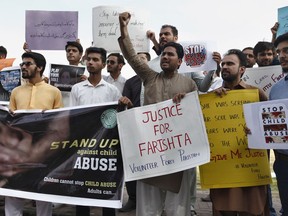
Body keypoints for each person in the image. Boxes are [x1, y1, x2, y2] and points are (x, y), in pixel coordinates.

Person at [118, 12, 198, 216]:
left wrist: (186, 100)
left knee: (176, 206)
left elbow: (195, 117)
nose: (165, 57)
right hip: (151, 152)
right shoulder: (149, 77)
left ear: (180, 62)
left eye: (171, 55)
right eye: (163, 54)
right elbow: (131, 57)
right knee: (148, 206)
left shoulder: (189, 84)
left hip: (177, 152)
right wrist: (123, 28)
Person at [212, 49, 269, 216]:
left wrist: (255, 130)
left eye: (230, 64)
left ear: (242, 69)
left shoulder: (256, 94)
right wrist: (213, 100)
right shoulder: (212, 98)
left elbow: (270, 125)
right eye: (223, 64)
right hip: (223, 167)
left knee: (253, 209)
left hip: (250, 168)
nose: (225, 67)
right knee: (224, 208)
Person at [6, 51, 63, 216]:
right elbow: (10, 119)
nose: (23, 66)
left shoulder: (54, 92)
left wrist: (48, 116)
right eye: (23, 64)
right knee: (14, 191)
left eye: (28, 64)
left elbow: (58, 121)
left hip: (42, 150)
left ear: (39, 67)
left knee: (42, 192)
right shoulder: (16, 92)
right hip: (18, 151)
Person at [70, 47, 122, 216]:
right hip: (83, 146)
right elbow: (73, 116)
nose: (91, 62)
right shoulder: (77, 89)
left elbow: (116, 118)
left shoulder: (112, 90)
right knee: (82, 188)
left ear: (103, 64)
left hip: (105, 148)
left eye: (95, 60)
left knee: (106, 187)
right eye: (89, 59)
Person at [119, 52, 151, 213]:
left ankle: (153, 200)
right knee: (132, 163)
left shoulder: (156, 79)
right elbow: (125, 104)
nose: (138, 61)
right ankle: (133, 199)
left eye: (142, 58)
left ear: (149, 62)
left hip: (154, 129)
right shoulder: (130, 82)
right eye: (135, 59)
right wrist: (129, 104)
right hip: (134, 128)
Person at [146, 25, 220, 93]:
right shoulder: (150, 65)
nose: (162, 36)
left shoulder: (188, 62)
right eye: (160, 35)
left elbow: (203, 87)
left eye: (166, 34)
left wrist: (212, 67)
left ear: (176, 38)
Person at [269, 32, 288, 216]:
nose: (282, 55)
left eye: (287, 50)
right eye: (279, 51)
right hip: (283, 163)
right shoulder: (276, 89)